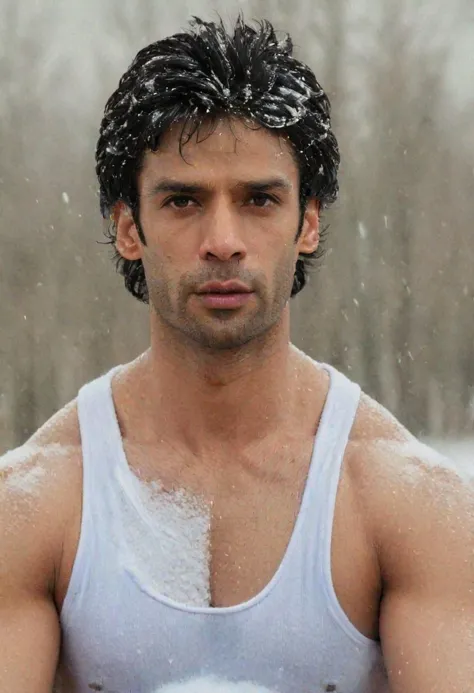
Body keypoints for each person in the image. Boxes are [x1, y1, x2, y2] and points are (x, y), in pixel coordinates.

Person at [0, 15, 472, 693]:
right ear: (128, 226)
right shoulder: (35, 504)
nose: (223, 239)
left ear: (307, 222)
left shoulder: (410, 505)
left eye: (258, 199)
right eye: (184, 200)